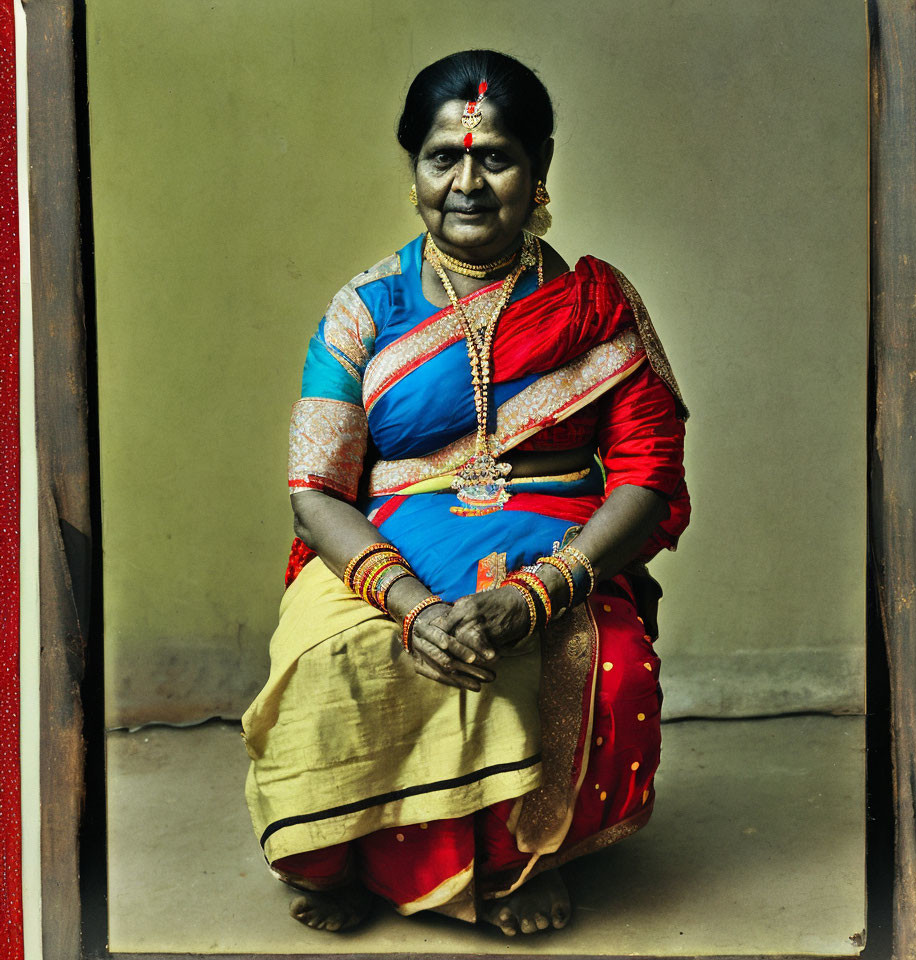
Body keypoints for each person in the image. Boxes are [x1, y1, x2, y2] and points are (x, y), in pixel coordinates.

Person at [242, 48, 690, 938]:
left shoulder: (596, 306)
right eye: (443, 157)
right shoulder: (363, 310)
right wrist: (410, 606)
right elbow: (316, 492)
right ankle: (354, 855)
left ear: (541, 169)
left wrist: (538, 594)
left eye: (497, 158)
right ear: (413, 171)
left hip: (562, 554)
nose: (468, 183)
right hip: (391, 559)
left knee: (605, 668)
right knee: (335, 660)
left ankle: (525, 860)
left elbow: (647, 475)